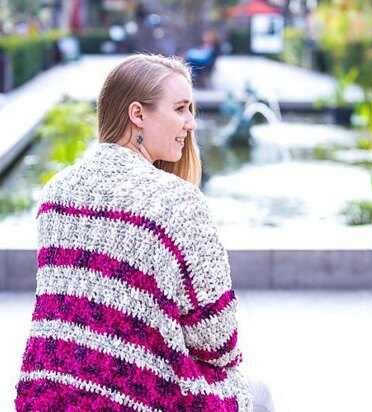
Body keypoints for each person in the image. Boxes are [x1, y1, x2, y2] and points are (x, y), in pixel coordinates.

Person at [15, 54, 254, 411]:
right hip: (137, 397)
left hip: (48, 393)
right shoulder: (177, 201)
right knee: (261, 392)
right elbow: (216, 341)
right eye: (180, 109)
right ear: (138, 114)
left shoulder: (56, 192)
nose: (191, 123)